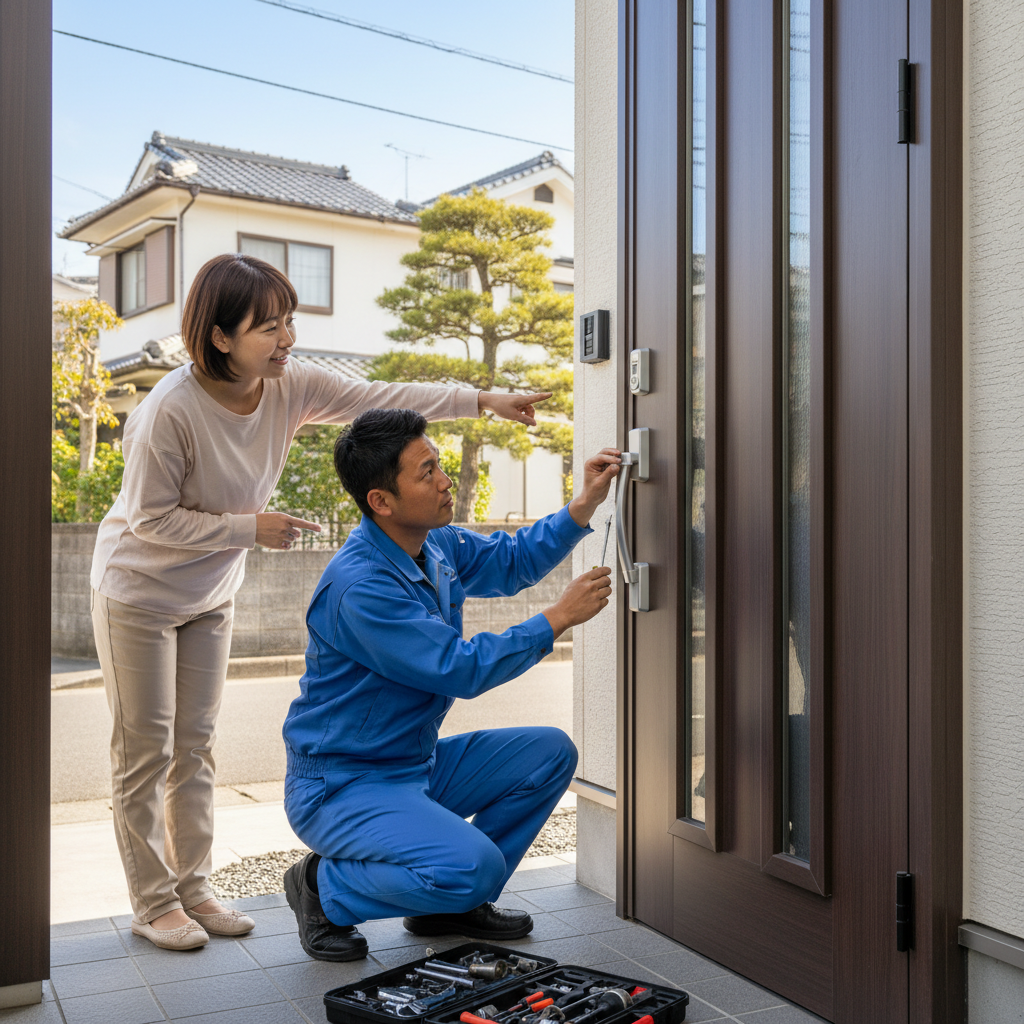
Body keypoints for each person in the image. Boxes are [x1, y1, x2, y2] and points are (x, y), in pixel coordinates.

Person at [90, 253, 551, 952]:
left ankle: (194, 888)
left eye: (288, 321)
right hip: (139, 593)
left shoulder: (288, 386)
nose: (286, 339)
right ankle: (155, 904)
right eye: (268, 326)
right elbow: (149, 521)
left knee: (195, 747)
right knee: (146, 752)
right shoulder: (169, 412)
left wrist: (483, 401)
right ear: (219, 336)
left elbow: (381, 395)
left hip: (210, 592)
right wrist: (252, 529)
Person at [281, 407, 619, 961]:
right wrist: (557, 618)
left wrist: (584, 504)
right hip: (342, 786)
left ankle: (449, 905)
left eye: (438, 464)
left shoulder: (433, 545)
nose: (444, 481)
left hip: (413, 766)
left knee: (548, 754)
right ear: (381, 501)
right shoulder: (361, 588)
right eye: (427, 472)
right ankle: (322, 889)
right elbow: (459, 668)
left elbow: (513, 561)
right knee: (474, 866)